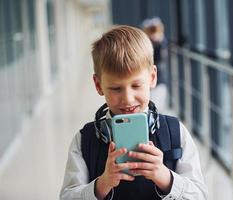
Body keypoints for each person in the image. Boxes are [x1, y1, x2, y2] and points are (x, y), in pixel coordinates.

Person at [60, 25, 208, 200]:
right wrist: (102, 184)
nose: (128, 99)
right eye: (116, 88)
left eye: (136, 85)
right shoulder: (84, 140)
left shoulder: (176, 132)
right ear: (99, 85)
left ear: (152, 77)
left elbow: (200, 196)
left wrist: (165, 177)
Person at [142, 17, 169, 112]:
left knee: (156, 108)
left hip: (159, 80)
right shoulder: (143, 43)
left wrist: (159, 41)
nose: (153, 33)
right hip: (144, 81)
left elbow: (160, 56)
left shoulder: (161, 42)